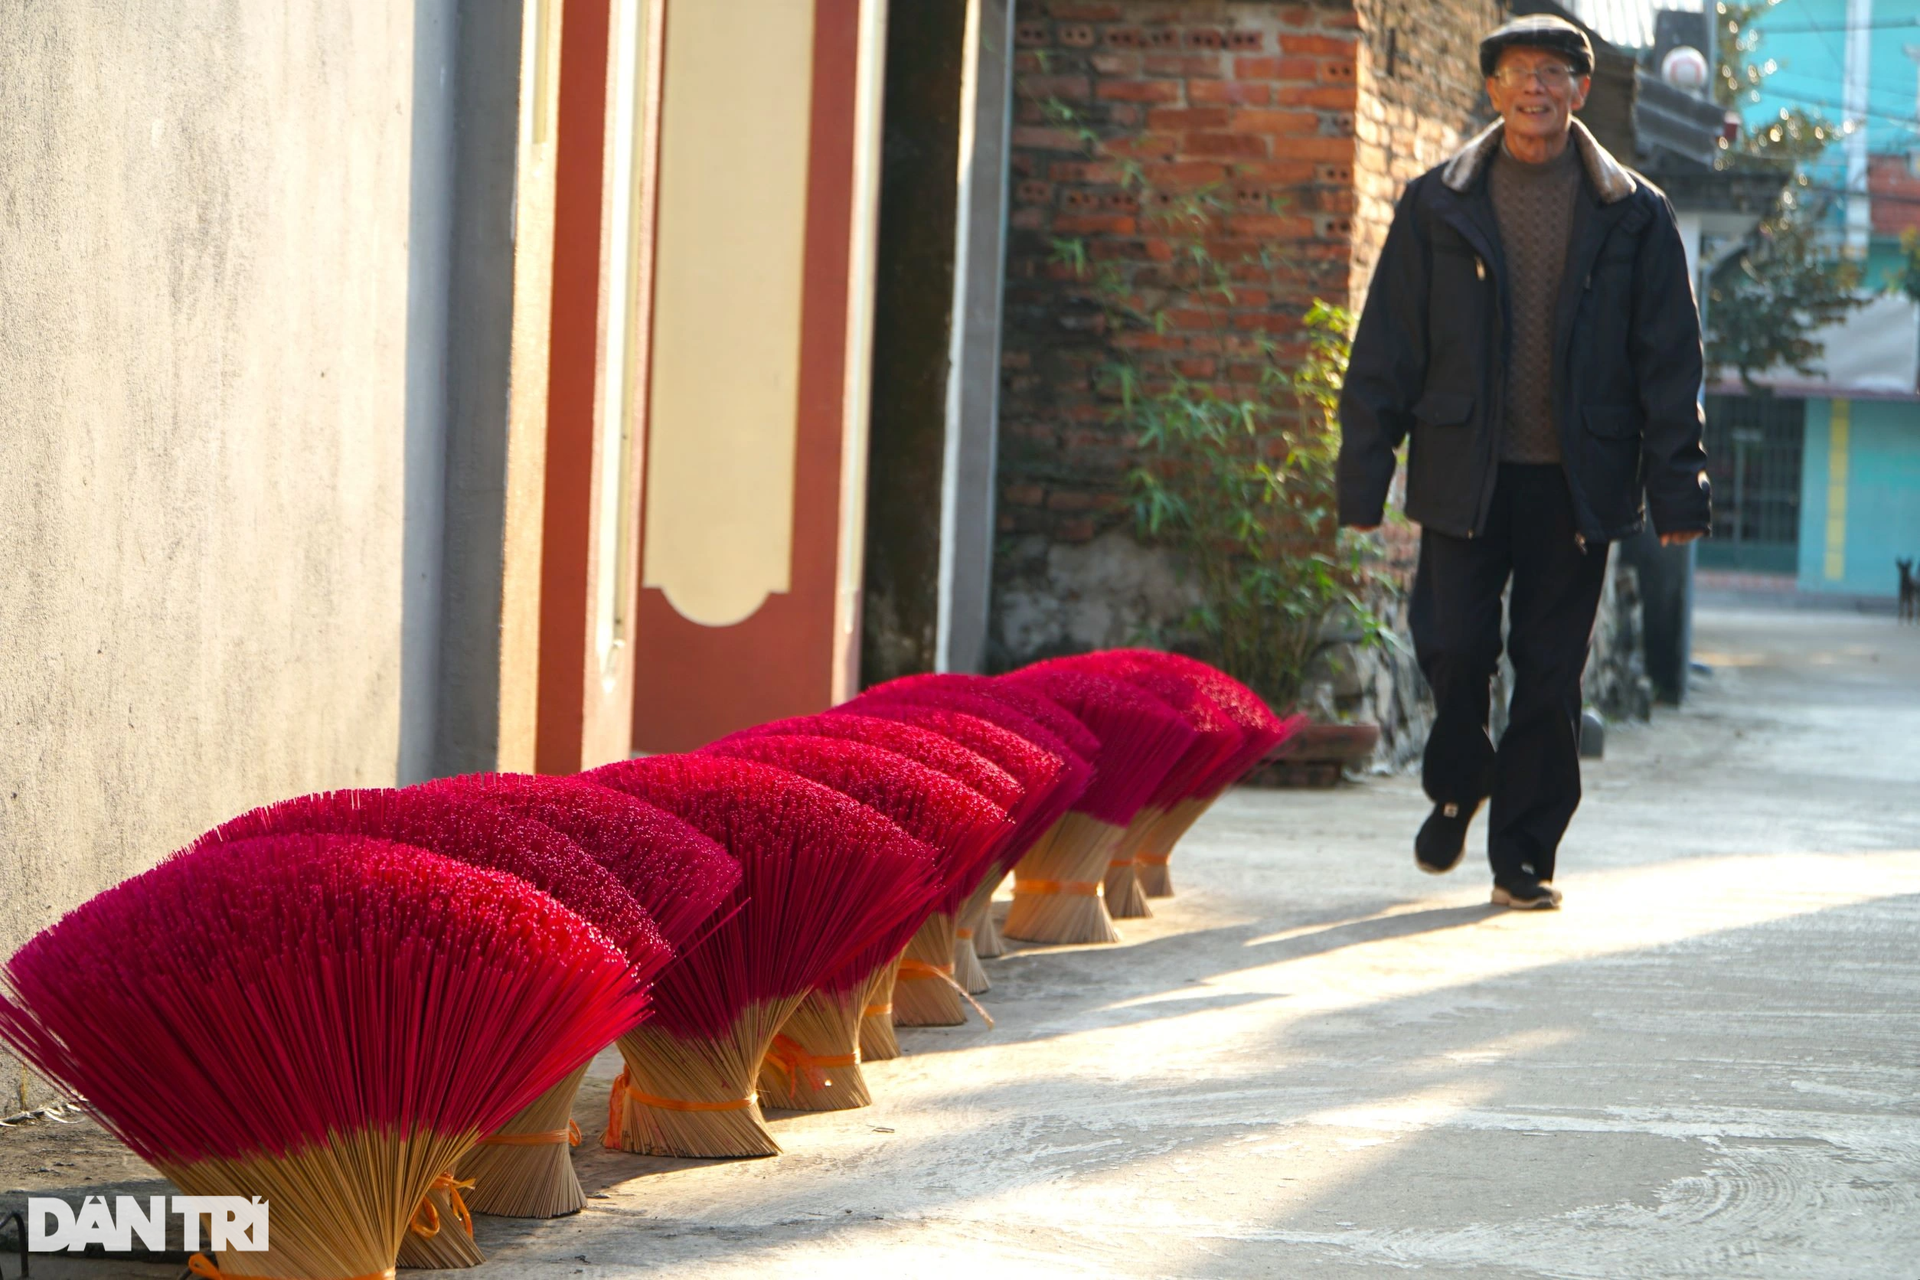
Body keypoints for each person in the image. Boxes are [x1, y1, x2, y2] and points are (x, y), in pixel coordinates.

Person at [1336, 14, 1711, 910]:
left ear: (1581, 91)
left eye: (1554, 73)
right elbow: (1387, 346)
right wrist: (1362, 477)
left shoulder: (1635, 213)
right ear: (1492, 89)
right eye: (1517, 73)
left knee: (1550, 674)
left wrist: (1677, 489)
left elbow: (1669, 360)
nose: (1536, 88)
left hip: (1577, 481)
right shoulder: (1438, 204)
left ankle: (1524, 856)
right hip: (1466, 468)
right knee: (1456, 648)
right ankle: (1461, 779)